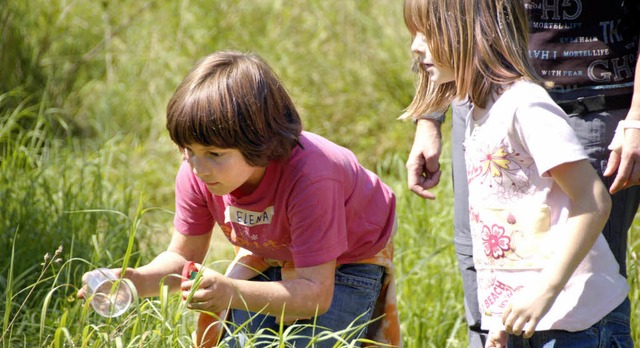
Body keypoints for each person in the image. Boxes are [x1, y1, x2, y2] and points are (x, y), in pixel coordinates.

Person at [79, 50, 401, 348]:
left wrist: (231, 292)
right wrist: (135, 281)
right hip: (273, 251)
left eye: (214, 154)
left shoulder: (311, 178)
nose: (197, 167)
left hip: (348, 258)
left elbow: (315, 294)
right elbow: (182, 258)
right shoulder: (197, 171)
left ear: (261, 142)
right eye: (188, 150)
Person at [404, 0, 640, 346]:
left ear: (472, 31)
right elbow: (517, 234)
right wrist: (502, 318)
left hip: (579, 325)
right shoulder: (479, 114)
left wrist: (544, 291)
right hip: (528, 322)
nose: (414, 46)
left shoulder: (525, 107)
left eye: (426, 33)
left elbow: (593, 201)